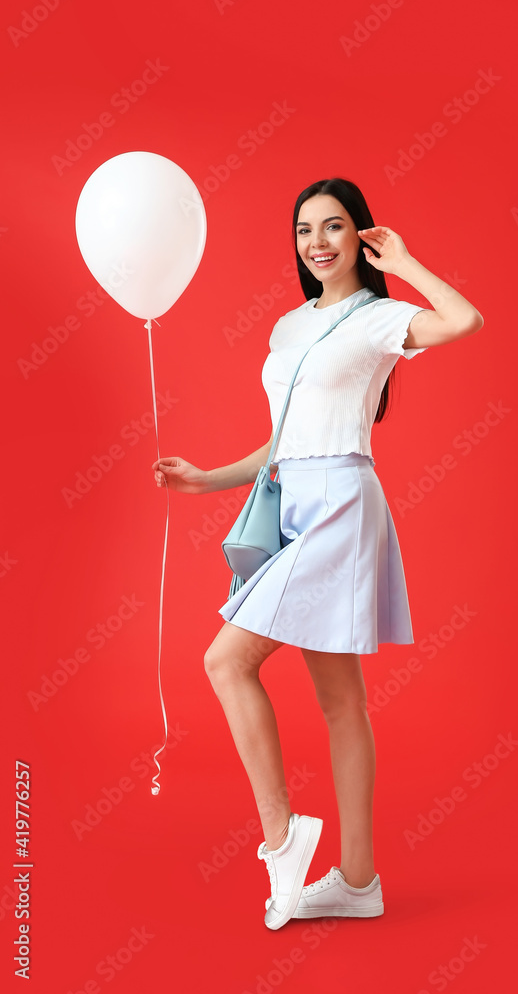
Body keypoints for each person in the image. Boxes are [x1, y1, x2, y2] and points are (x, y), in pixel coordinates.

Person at [151, 177, 483, 930]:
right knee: (341, 702)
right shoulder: (288, 327)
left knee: (225, 661)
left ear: (362, 237)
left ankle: (281, 837)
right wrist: (208, 479)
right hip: (292, 497)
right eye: (305, 230)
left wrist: (403, 261)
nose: (319, 243)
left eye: (336, 228)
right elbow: (284, 439)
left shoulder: (381, 317)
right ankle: (359, 882)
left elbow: (464, 320)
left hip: (340, 504)